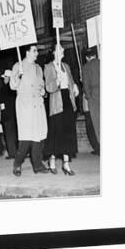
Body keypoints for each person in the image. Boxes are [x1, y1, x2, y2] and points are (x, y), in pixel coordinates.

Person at [10, 44, 50, 176]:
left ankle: (37, 165)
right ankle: (17, 163)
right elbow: (12, 85)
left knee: (38, 137)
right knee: (26, 138)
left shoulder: (38, 68)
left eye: (36, 51)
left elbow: (41, 85)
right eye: (34, 51)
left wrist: (44, 92)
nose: (37, 53)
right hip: (25, 106)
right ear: (27, 52)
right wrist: (19, 76)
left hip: (37, 105)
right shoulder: (18, 66)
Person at [44, 43, 79, 175]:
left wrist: (74, 85)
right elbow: (49, 87)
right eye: (59, 48)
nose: (63, 50)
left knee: (68, 133)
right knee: (56, 133)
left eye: (62, 48)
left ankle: (66, 164)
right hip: (57, 102)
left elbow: (70, 81)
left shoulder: (66, 66)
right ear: (54, 52)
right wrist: (57, 81)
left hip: (67, 100)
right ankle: (52, 161)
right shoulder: (48, 67)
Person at [0, 70, 18, 159]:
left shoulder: (4, 88)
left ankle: (12, 153)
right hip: (15, 114)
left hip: (7, 115)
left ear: (8, 78)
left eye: (4, 77)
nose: (3, 79)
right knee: (15, 134)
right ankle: (17, 152)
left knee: (9, 135)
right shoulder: (15, 87)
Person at [82, 47, 100, 153]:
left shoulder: (86, 67)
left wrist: (88, 97)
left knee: (97, 124)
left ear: (87, 57)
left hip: (94, 98)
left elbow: (86, 86)